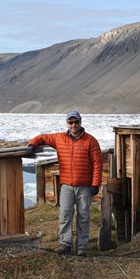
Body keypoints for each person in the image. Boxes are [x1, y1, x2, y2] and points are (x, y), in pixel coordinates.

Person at [27, 110, 103, 257]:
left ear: (80, 122)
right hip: (67, 185)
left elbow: (98, 164)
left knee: (83, 216)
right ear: (67, 123)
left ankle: (82, 247)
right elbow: (42, 137)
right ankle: (65, 244)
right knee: (65, 215)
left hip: (85, 186)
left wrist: (95, 184)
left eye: (76, 122)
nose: (73, 125)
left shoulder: (90, 141)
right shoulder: (59, 139)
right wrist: (32, 145)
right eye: (70, 122)